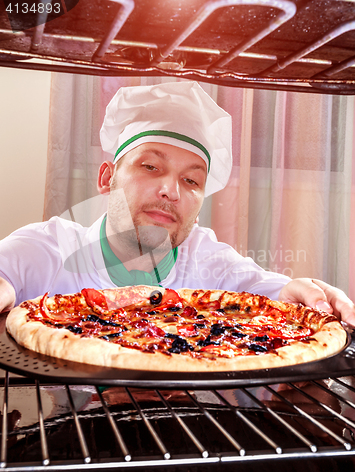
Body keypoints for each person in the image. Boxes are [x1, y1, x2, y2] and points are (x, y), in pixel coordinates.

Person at [0, 81, 354, 326]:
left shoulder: (211, 263)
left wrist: (303, 294)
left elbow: (271, 291)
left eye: (191, 180)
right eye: (151, 166)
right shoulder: (47, 249)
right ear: (107, 178)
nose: (171, 190)